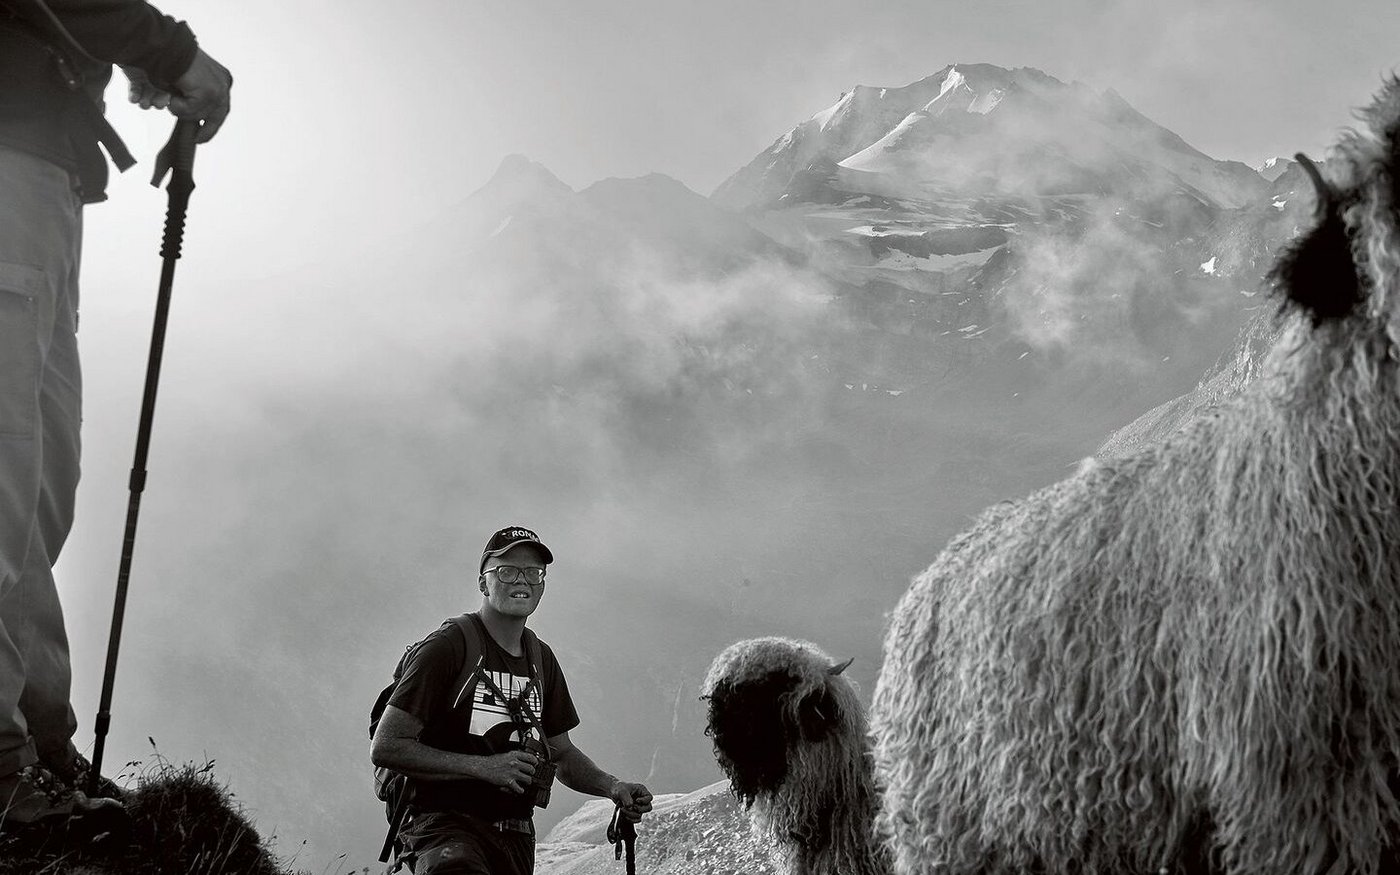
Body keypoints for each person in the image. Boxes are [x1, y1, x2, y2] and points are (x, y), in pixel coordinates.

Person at [0, 0, 231, 827]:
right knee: (5, 476)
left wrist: (127, 56)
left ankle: (33, 735)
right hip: (10, 169)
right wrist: (170, 54)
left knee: (37, 479)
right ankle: (3, 767)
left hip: (41, 173)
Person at [371, 525, 654, 874]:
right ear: (482, 583)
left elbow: (561, 753)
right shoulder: (446, 648)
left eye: (533, 572)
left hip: (516, 836)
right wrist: (483, 768)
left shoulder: (541, 658)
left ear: (543, 585)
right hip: (444, 828)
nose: (522, 580)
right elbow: (387, 745)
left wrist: (612, 787)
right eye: (506, 571)